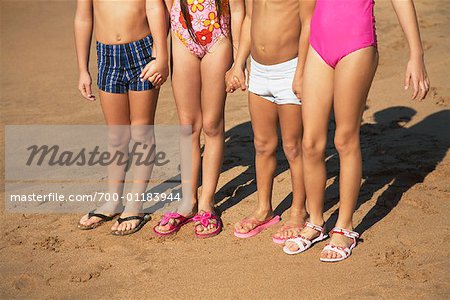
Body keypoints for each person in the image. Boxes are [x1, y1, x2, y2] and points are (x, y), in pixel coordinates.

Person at [284, 0, 430, 262]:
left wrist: (416, 55)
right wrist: (300, 68)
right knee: (310, 143)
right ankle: (316, 221)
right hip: (318, 47)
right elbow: (307, 14)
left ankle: (345, 226)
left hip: (357, 45)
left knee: (344, 140)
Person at [226, 0, 317, 243]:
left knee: (292, 146)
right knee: (263, 145)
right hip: (258, 70)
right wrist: (238, 64)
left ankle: (299, 211)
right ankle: (263, 209)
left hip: (290, 69)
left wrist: (300, 74)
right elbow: (249, 19)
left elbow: (308, 22)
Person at [75, 0, 169, 235]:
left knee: (141, 130)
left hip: (142, 52)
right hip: (107, 56)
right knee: (117, 135)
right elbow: (83, 18)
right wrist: (83, 70)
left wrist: (161, 54)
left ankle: (135, 204)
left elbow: (155, 7)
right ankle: (113, 200)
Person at [152, 0, 245, 238]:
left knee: (212, 125)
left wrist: (238, 61)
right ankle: (188, 201)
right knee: (188, 126)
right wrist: (159, 51)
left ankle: (206, 202)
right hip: (182, 40)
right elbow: (162, 7)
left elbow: (236, 9)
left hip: (219, 40)